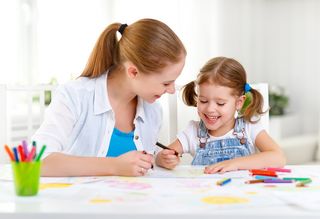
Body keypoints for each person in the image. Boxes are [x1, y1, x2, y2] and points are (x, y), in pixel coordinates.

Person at [32, 18, 186, 177]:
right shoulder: (74, 96)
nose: (172, 90)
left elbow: (139, 163)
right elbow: (35, 160)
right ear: (133, 72)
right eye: (166, 83)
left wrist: (158, 159)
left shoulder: (153, 110)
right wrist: (114, 166)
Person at [155, 57, 286, 173]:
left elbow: (278, 157)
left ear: (239, 102)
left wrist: (235, 164)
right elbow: (162, 156)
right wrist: (164, 159)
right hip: (203, 195)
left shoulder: (249, 128)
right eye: (203, 101)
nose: (210, 109)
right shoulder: (193, 132)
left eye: (220, 103)